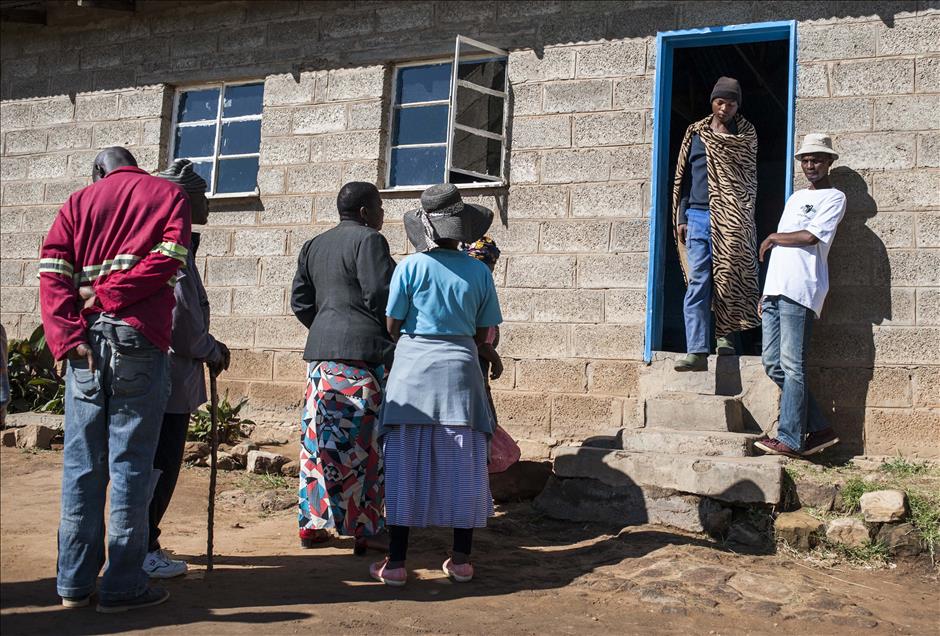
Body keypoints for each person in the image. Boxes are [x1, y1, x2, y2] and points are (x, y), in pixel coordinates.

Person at [39, 147, 190, 612]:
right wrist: (111, 294)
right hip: (137, 340)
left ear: (99, 171)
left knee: (81, 466)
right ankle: (122, 586)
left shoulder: (78, 203)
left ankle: (73, 584)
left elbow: (52, 272)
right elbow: (169, 260)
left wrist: (65, 336)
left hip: (84, 344)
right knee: (131, 466)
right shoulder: (167, 194)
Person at [370, 184, 502, 587]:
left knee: (405, 467)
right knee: (463, 465)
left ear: (426, 226)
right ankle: (461, 561)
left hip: (412, 374)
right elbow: (484, 332)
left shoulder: (410, 267)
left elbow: (392, 325)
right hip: (461, 374)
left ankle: (395, 564)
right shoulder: (479, 270)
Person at [291, 181, 395, 554]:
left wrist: (328, 330)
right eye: (380, 206)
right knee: (362, 447)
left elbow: (300, 302)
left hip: (320, 362)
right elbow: (381, 295)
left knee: (316, 443)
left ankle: (313, 524)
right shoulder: (370, 241)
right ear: (365, 211)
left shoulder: (314, 245)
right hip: (360, 362)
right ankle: (365, 527)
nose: (384, 213)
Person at [142, 159, 230, 578]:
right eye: (201, 196)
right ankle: (142, 546)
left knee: (154, 462)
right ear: (182, 200)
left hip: (165, 376)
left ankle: (143, 541)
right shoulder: (171, 251)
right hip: (167, 379)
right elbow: (181, 323)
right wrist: (210, 348)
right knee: (159, 463)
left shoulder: (173, 245)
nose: (208, 204)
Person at [754, 134, 846, 458]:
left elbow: (809, 237)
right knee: (772, 363)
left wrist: (773, 236)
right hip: (776, 289)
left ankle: (791, 439)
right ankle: (819, 429)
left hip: (801, 289)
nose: (811, 165)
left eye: (818, 159)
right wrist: (766, 292)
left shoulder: (835, 198)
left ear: (829, 162)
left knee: (793, 365)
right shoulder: (794, 198)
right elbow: (782, 254)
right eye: (806, 160)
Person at [671, 76, 760, 372]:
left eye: (731, 103)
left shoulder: (745, 136)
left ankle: (725, 339)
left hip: (730, 218)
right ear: (712, 102)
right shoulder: (695, 133)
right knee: (699, 282)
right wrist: (682, 215)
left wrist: (741, 218)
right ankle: (696, 350)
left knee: (728, 276)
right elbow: (684, 179)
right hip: (697, 217)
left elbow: (747, 182)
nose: (725, 108)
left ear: (738, 106)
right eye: (720, 102)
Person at [461, 236, 504, 420]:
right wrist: (496, 360)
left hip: (476, 366)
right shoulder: (477, 290)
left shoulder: (472, 287)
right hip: (473, 365)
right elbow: (479, 339)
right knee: (479, 420)